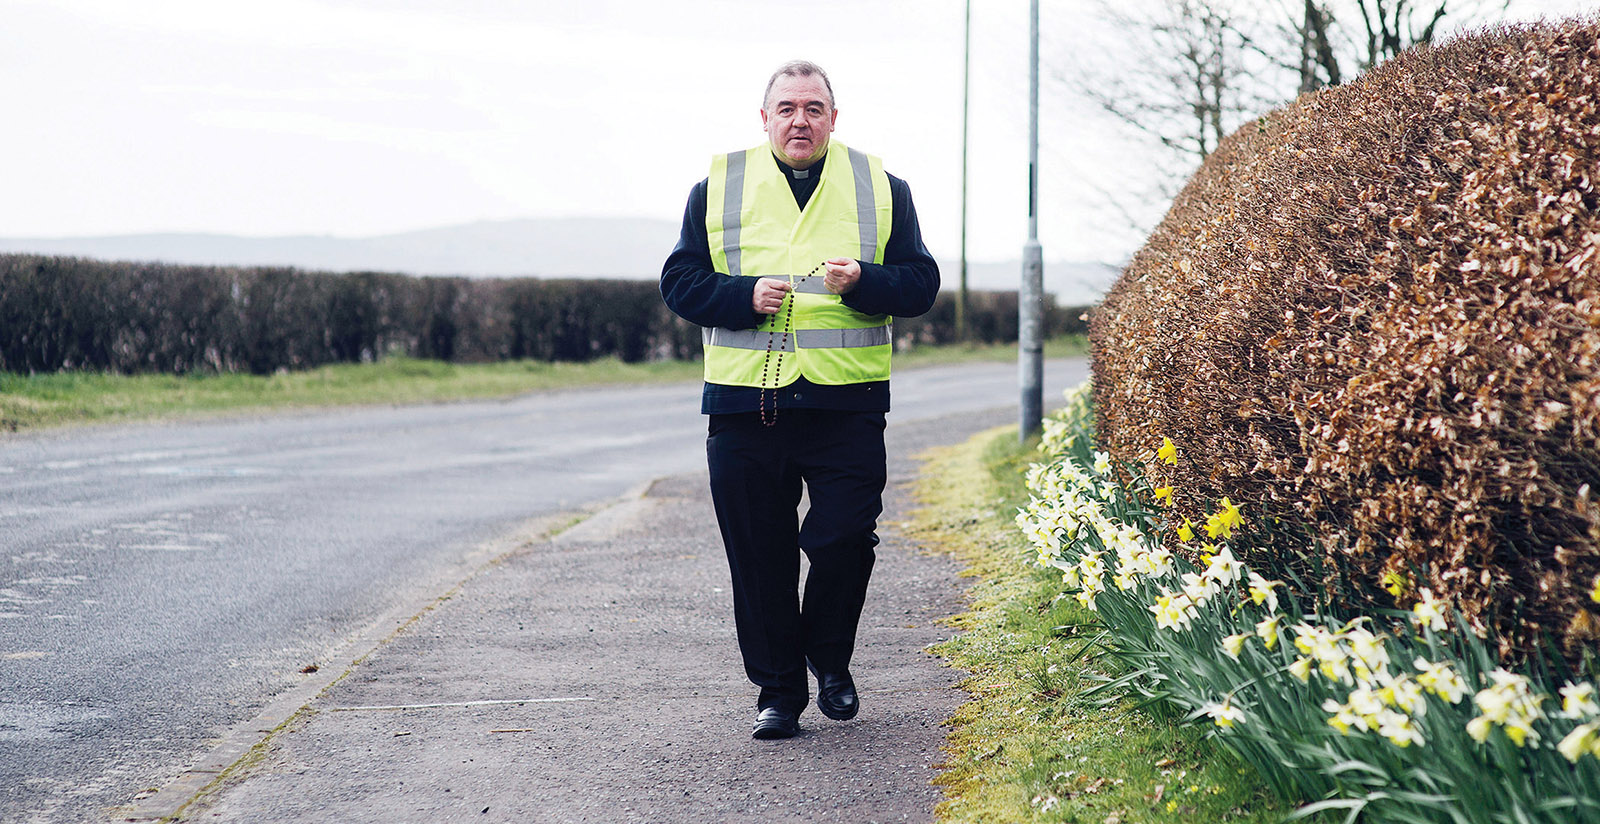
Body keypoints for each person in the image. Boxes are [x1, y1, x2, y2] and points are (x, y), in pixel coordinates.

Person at [660, 60, 940, 740]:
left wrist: (867, 281)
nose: (800, 120)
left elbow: (920, 284)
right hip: (745, 406)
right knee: (760, 557)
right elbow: (680, 282)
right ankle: (779, 695)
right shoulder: (717, 186)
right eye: (786, 108)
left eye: (814, 108)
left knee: (844, 539)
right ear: (765, 119)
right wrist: (741, 297)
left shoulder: (881, 186)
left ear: (833, 119)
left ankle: (829, 656)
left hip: (847, 404)